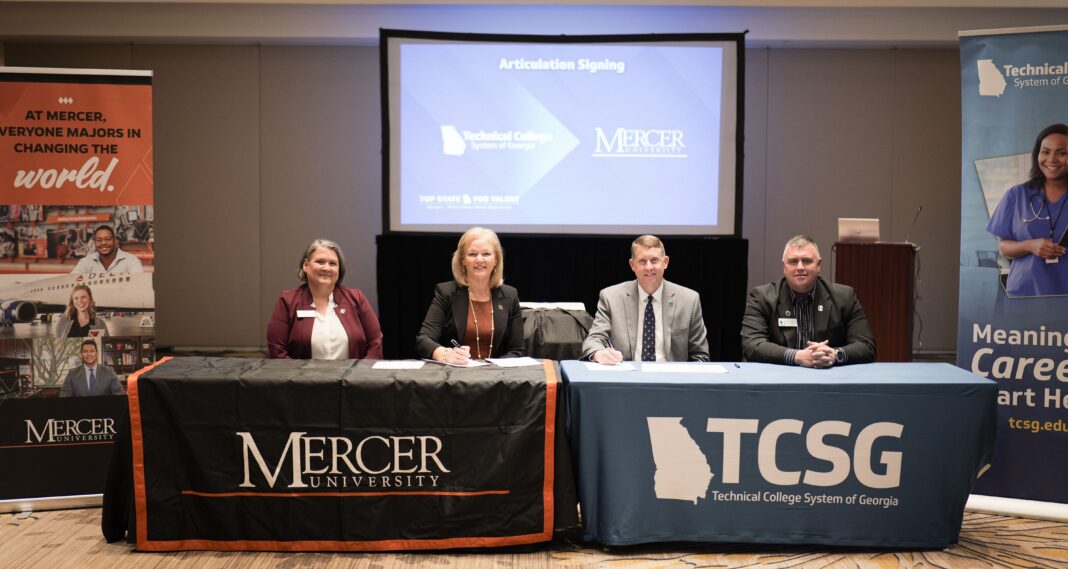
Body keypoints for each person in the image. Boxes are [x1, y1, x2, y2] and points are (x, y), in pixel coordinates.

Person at [741, 235, 876, 367]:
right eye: (793, 261)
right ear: (784, 267)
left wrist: (835, 354)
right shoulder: (762, 297)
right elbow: (751, 345)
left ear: (818, 265)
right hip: (778, 376)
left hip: (828, 375)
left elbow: (867, 346)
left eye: (806, 261)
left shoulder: (844, 297)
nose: (800, 267)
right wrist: (796, 356)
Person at [582, 235, 709, 364]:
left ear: (665, 262)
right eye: (642, 261)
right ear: (632, 265)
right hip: (627, 374)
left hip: (671, 375)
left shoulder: (689, 300)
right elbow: (594, 339)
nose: (649, 267)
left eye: (654, 260)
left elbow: (700, 355)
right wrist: (598, 353)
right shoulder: (611, 297)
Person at [416, 227, 524, 364]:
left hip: (496, 374)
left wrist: (491, 369)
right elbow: (424, 339)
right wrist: (445, 354)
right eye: (472, 254)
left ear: (496, 259)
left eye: (486, 254)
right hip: (455, 373)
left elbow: (517, 350)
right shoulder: (446, 293)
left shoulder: (510, 295)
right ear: (462, 260)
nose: (479, 259)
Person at [986, 123, 1068, 297]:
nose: (1052, 159)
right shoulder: (1017, 194)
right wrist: (1030, 245)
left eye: (1062, 153)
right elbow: (1003, 247)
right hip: (1025, 295)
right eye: (1045, 152)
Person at [267, 239, 383, 359]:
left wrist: (361, 370)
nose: (326, 268)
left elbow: (375, 343)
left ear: (339, 270)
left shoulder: (356, 298)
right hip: (300, 372)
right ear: (306, 265)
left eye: (332, 264)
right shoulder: (287, 301)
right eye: (320, 262)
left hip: (353, 372)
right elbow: (277, 350)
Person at [71, 225, 145, 275]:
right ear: (95, 242)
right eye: (99, 240)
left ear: (115, 240)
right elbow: (72, 280)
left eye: (108, 239)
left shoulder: (131, 261)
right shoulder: (86, 261)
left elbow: (139, 284)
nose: (103, 243)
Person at [59, 340, 123, 397]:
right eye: (85, 351)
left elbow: (119, 392)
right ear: (81, 354)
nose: (89, 354)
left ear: (97, 353)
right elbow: (64, 394)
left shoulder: (109, 372)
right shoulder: (72, 374)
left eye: (92, 351)